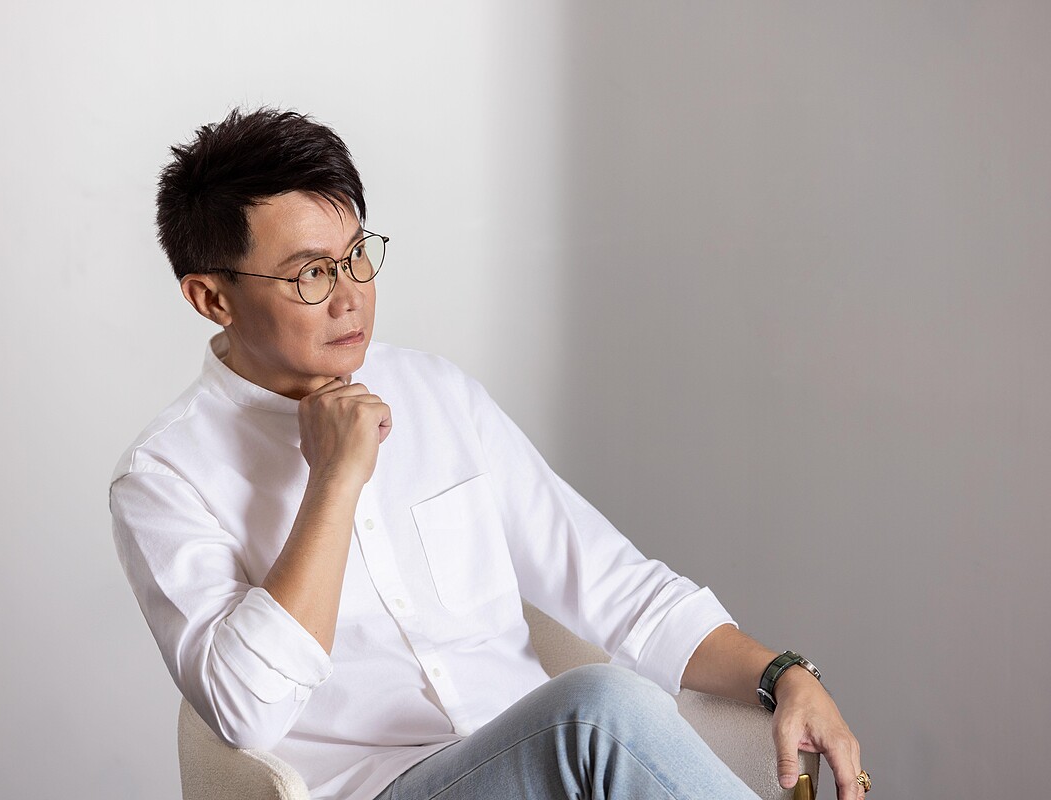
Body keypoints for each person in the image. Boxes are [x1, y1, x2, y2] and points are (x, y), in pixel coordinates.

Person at [111, 107, 867, 800]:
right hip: (379, 788)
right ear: (212, 298)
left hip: (540, 768)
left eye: (357, 255)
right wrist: (334, 481)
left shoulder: (436, 394)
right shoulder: (166, 475)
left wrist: (783, 675)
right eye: (310, 272)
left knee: (597, 716)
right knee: (598, 710)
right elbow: (246, 710)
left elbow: (615, 587)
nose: (351, 295)